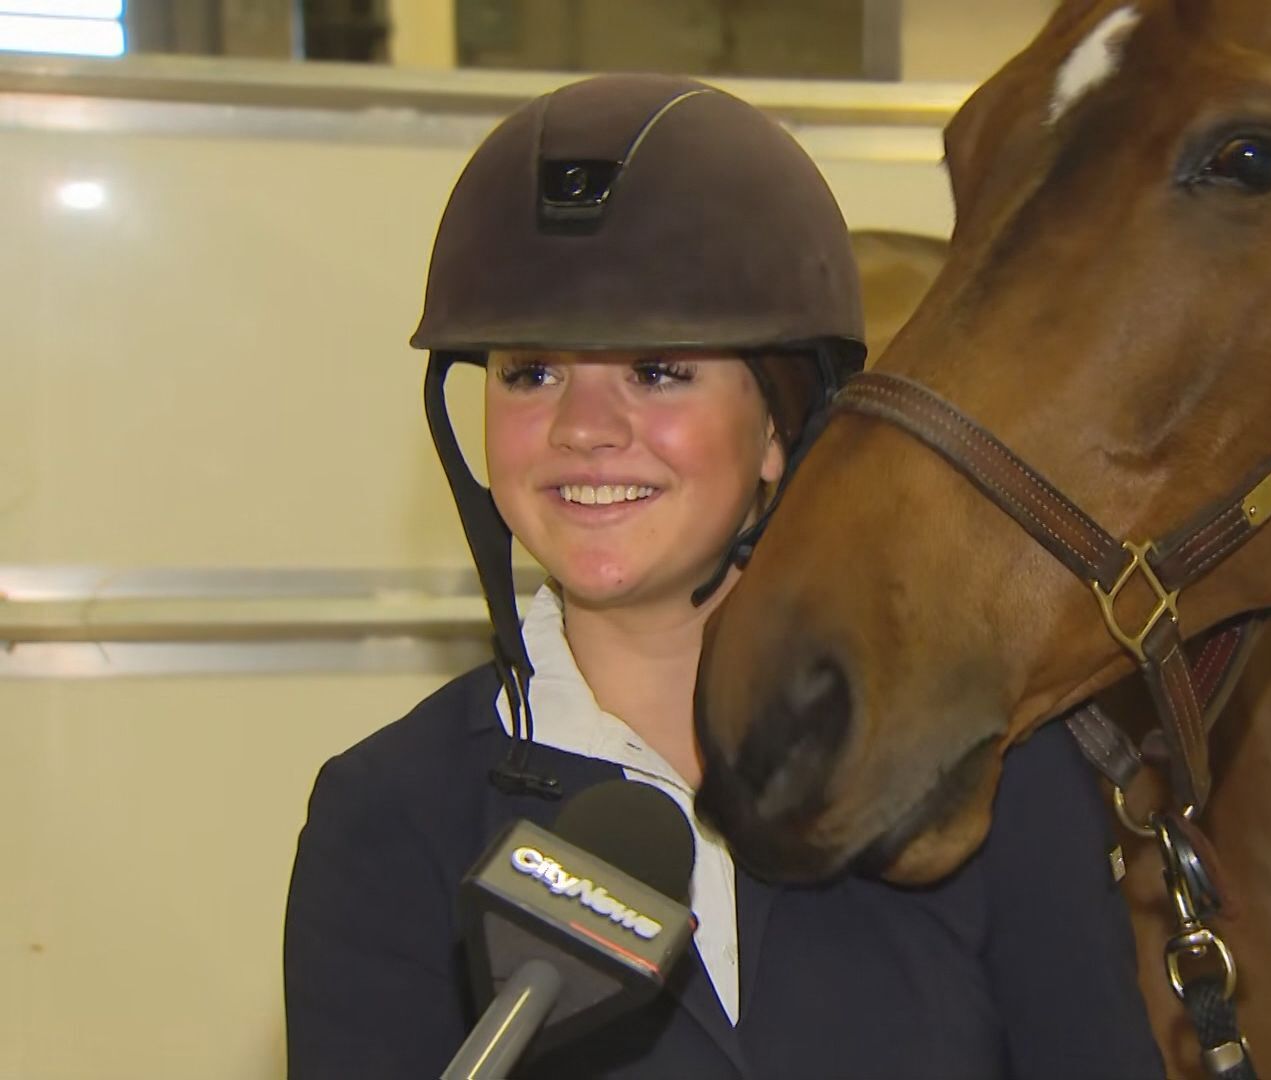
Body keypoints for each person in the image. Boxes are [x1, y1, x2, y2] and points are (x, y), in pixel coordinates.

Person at [282, 73, 1163, 1080]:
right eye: (531, 372)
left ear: (780, 430)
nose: (582, 431)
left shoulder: (986, 778)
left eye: (657, 372)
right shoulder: (391, 816)